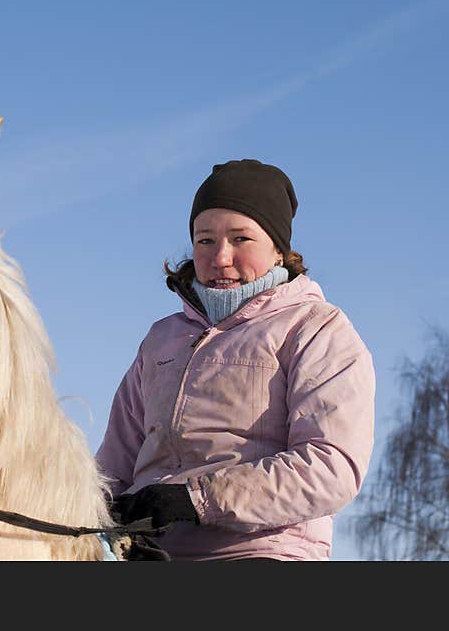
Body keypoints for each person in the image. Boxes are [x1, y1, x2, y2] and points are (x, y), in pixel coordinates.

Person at [96, 159, 375, 561]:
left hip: (262, 552)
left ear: (278, 249)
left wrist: (195, 500)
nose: (220, 257)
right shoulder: (162, 339)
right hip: (149, 554)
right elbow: (113, 465)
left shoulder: (315, 329)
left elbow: (331, 466)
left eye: (241, 239)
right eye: (205, 240)